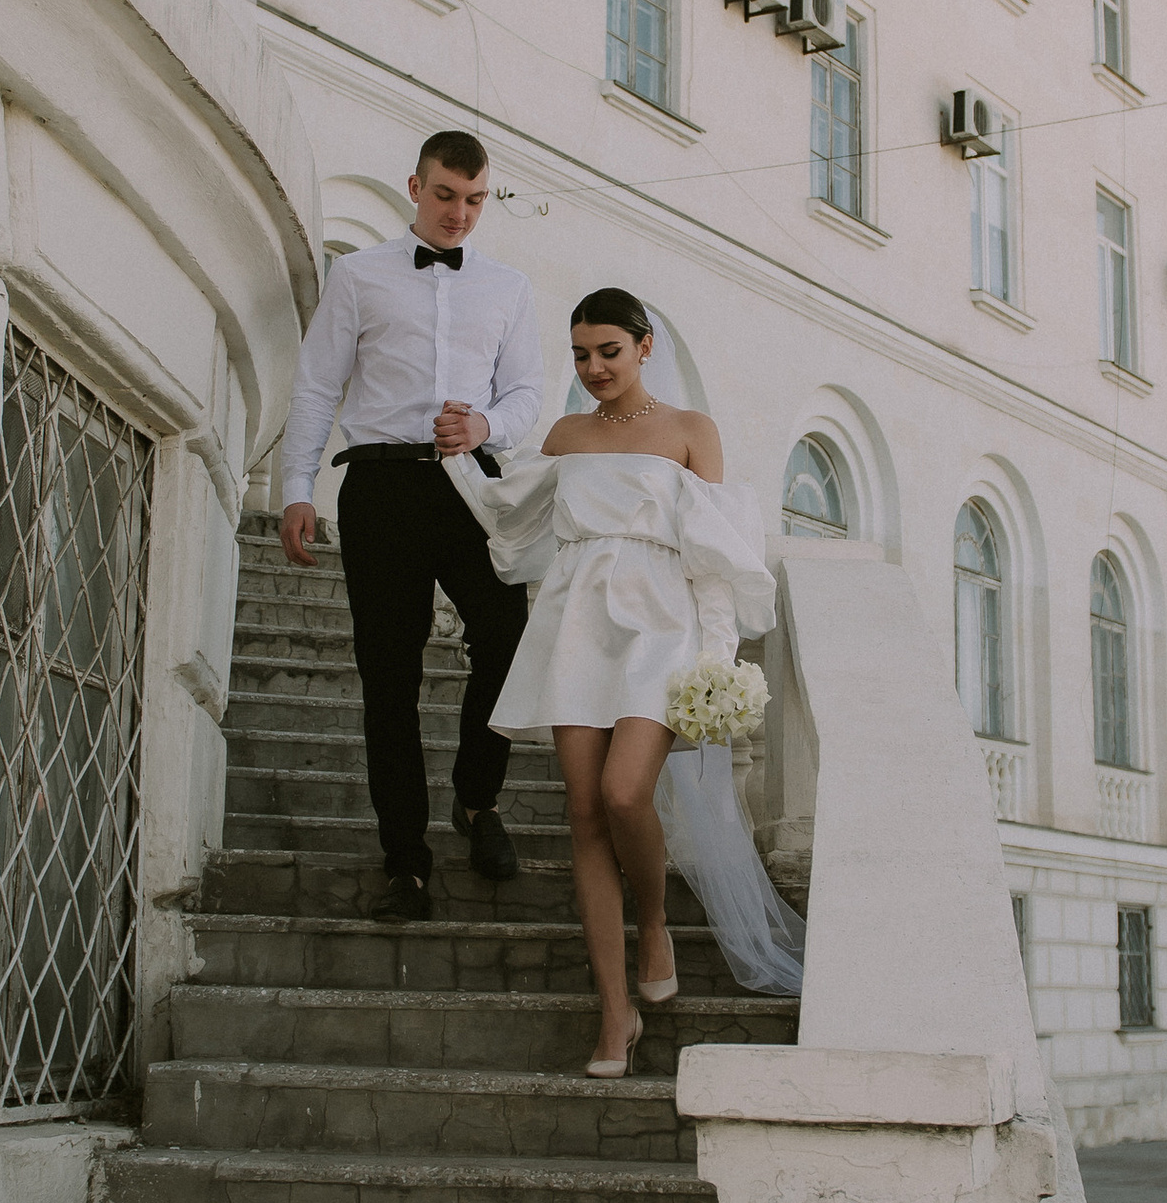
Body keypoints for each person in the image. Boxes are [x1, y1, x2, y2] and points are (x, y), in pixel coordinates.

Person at [443, 288, 794, 1074]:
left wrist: (716, 656)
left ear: (644, 346)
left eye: (608, 350)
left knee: (625, 792)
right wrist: (465, 450)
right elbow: (511, 511)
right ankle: (614, 1012)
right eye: (580, 354)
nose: (594, 367)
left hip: (661, 624)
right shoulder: (566, 434)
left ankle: (657, 920)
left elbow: (716, 551)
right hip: (577, 626)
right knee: (582, 810)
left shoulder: (692, 431)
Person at [277, 131, 543, 920]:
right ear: (414, 187)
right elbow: (317, 387)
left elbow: (528, 393)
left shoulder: (507, 286)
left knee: (506, 635)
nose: (460, 213)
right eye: (445, 195)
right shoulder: (358, 276)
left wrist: (486, 424)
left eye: (474, 199)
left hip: (472, 483)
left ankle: (475, 798)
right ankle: (406, 860)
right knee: (388, 675)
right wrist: (297, 488)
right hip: (381, 487)